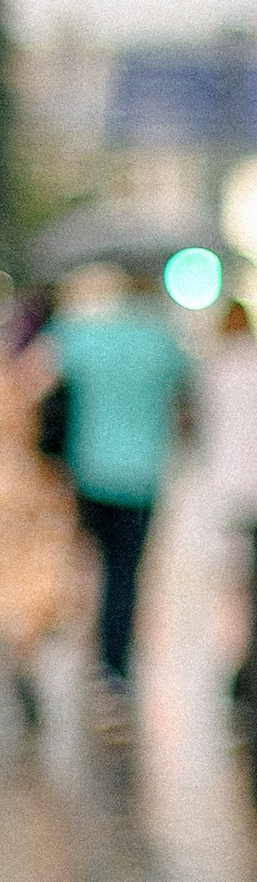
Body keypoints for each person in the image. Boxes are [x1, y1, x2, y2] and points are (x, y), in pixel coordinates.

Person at [45, 264, 194, 710]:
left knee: (87, 564)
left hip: (87, 469)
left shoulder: (79, 333)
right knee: (125, 572)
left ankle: (86, 648)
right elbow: (184, 395)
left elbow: (37, 379)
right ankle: (114, 666)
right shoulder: (162, 337)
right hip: (143, 473)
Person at [0, 287, 86, 730]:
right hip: (20, 486)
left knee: (14, 578)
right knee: (24, 581)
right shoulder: (23, 375)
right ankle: (24, 650)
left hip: (14, 488)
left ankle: (20, 650)